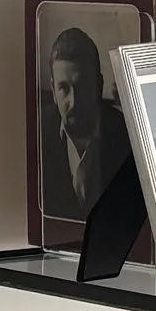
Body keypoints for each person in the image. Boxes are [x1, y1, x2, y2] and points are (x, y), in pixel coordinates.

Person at [41, 24, 131, 221]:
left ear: (98, 85)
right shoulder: (39, 134)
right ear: (53, 92)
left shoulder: (127, 136)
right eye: (64, 88)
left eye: (82, 87)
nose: (73, 102)